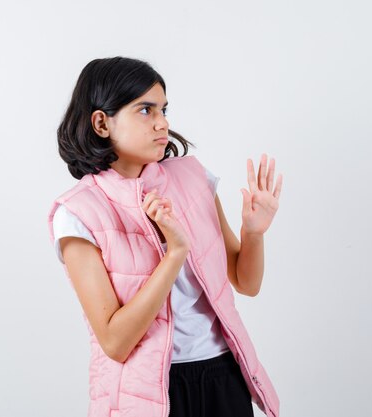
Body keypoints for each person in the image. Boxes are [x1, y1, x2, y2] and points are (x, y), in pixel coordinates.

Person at [47, 56, 283, 417]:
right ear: (101, 122)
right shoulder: (79, 213)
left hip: (223, 377)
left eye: (164, 109)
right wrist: (175, 253)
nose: (163, 123)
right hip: (147, 393)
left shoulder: (193, 178)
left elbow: (246, 283)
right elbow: (115, 342)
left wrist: (254, 233)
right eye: (145, 110)